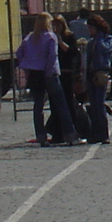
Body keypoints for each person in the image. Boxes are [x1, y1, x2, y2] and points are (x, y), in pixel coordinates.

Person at [14, 13, 77, 147]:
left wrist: (27, 64)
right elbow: (52, 56)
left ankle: (41, 137)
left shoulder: (30, 37)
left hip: (35, 74)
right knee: (61, 105)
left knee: (38, 107)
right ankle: (70, 135)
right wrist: (48, 71)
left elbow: (19, 53)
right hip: (50, 74)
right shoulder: (51, 37)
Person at [84, 14, 112, 145]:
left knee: (100, 103)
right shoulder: (90, 42)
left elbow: (106, 49)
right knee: (93, 105)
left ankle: (104, 133)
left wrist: (99, 37)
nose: (89, 30)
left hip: (102, 72)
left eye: (91, 27)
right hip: (91, 73)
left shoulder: (108, 38)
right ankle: (95, 133)